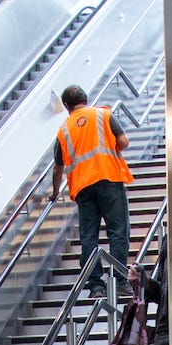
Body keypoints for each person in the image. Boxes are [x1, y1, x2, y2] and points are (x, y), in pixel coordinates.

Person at [51, 85, 134, 296]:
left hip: (83, 188)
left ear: (67, 106)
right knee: (118, 231)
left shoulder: (64, 130)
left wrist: (54, 193)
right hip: (109, 179)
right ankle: (120, 280)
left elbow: (58, 166)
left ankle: (96, 285)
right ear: (85, 99)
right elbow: (123, 142)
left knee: (89, 237)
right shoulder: (103, 114)